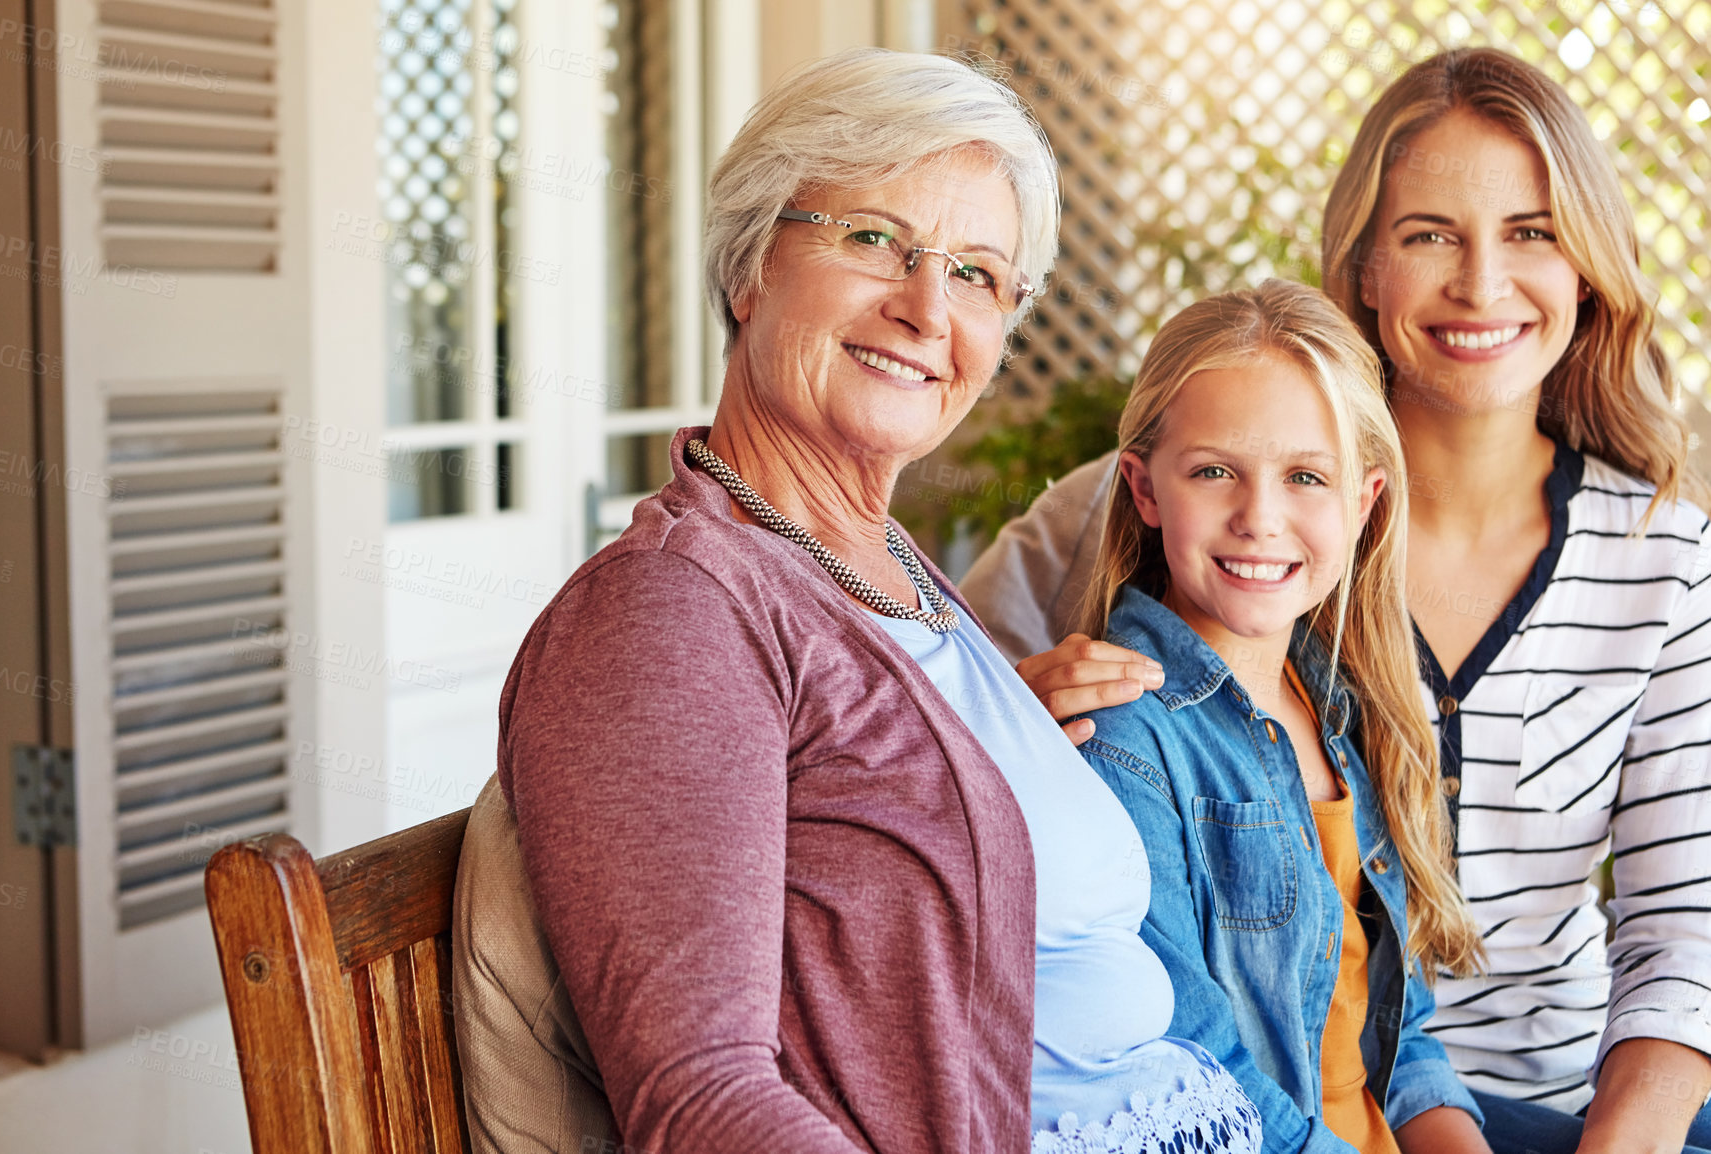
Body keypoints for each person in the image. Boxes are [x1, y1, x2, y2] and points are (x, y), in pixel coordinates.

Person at [453, 48, 1258, 1154]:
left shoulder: (880, 564)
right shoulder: (667, 613)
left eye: (978, 273)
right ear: (748, 268)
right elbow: (701, 1101)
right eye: (874, 238)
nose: (928, 308)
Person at [964, 46, 1711, 1154]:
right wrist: (1008, 728)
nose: (1480, 285)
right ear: (1362, 265)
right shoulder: (1164, 513)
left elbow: (1678, 936)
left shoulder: (1661, 556)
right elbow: (929, 735)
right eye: (1427, 236)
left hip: (1550, 1100)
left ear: (1588, 264)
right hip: (1280, 1102)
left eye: (1531, 232)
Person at [1070, 279, 1489, 1154]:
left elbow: (1401, 1037)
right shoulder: (1122, 741)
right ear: (1145, 490)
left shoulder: (1340, 706)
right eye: (1215, 471)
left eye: (1306, 477)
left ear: (1365, 501)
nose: (1260, 519)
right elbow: (1192, 1067)